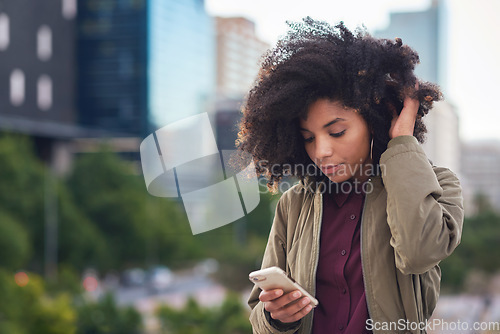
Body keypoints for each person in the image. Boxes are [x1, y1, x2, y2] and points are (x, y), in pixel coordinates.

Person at [236, 17, 464, 334]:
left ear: (375, 119)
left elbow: (419, 253)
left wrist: (400, 142)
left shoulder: (439, 185)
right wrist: (277, 317)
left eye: (337, 131)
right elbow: (259, 313)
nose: (322, 150)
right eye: (308, 137)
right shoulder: (294, 204)